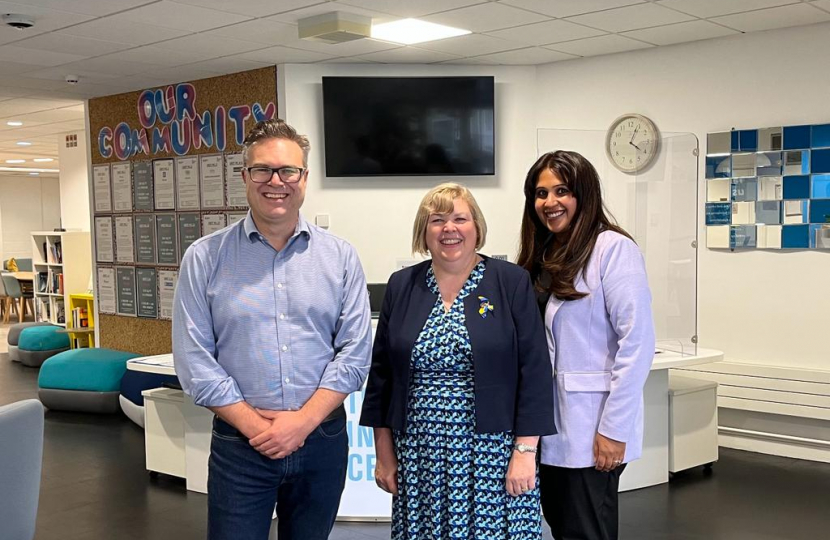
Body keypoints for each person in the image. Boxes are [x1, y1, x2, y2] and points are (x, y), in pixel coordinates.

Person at [173, 119, 372, 540]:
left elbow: (354, 354)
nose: (275, 181)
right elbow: (194, 361)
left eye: (288, 171)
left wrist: (300, 424)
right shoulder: (204, 258)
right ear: (245, 176)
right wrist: (258, 428)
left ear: (304, 178)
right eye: (262, 170)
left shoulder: (340, 257)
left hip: (321, 439)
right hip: (240, 446)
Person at [361, 183, 555, 540]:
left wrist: (525, 451)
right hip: (420, 456)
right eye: (437, 220)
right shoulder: (403, 285)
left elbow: (535, 371)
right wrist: (384, 455)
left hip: (492, 454)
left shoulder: (510, 282)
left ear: (476, 227)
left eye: (459, 218)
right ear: (424, 231)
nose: (449, 228)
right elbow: (382, 378)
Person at [517, 151, 655, 540]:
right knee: (564, 527)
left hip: (591, 426)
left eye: (562, 191)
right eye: (541, 193)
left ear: (585, 193)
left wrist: (614, 428)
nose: (550, 202)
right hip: (549, 428)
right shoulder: (541, 256)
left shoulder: (612, 249)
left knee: (586, 530)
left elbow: (637, 342)